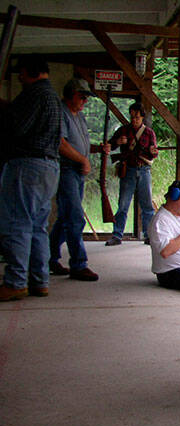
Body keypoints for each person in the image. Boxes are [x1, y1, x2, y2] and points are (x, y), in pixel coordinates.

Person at [0, 55, 62, 301]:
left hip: (28, 165)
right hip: (49, 167)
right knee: (37, 227)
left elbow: (16, 127)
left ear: (30, 72)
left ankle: (16, 282)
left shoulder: (34, 94)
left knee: (18, 223)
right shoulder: (51, 96)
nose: (20, 77)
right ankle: (39, 280)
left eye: (22, 73)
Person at [48, 78, 110, 282]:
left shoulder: (79, 116)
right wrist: (83, 159)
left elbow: (80, 144)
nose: (85, 101)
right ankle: (78, 264)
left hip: (76, 172)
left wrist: (97, 149)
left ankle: (50, 257)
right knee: (75, 218)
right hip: (66, 170)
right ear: (71, 94)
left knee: (65, 219)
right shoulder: (61, 113)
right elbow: (61, 144)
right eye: (82, 97)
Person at [104, 102, 158, 246]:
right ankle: (117, 235)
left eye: (137, 117)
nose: (134, 120)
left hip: (144, 170)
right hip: (128, 170)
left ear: (142, 117)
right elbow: (110, 145)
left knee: (147, 206)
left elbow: (154, 153)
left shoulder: (149, 133)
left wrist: (153, 152)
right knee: (123, 204)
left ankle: (148, 235)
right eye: (132, 117)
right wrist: (118, 141)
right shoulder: (123, 130)